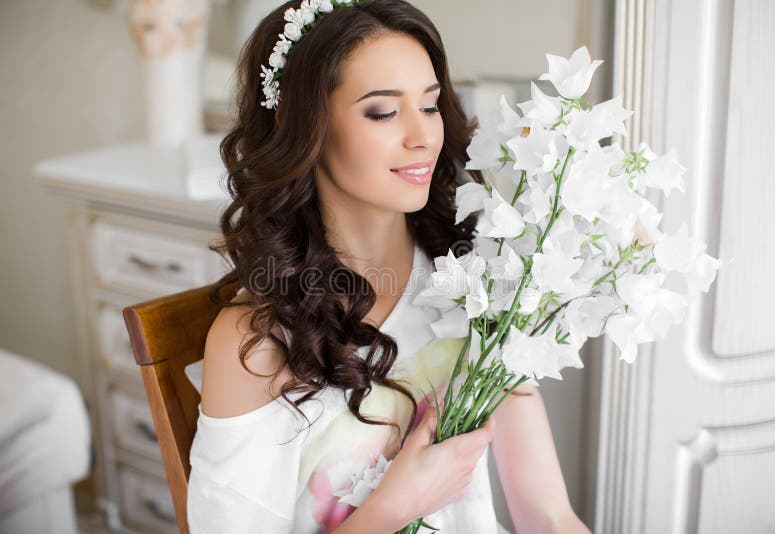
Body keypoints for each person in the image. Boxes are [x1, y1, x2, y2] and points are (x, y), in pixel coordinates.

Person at [186, 1, 590, 532]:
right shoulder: (259, 345)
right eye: (382, 112)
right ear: (305, 127)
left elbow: (549, 515)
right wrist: (396, 506)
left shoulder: (478, 282)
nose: (422, 136)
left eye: (429, 105)